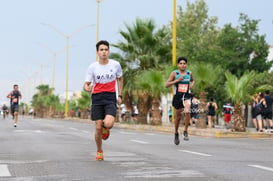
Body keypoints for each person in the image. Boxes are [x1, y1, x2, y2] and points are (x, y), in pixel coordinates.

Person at [83, 40, 123, 161]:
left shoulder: (115, 65)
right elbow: (86, 84)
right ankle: (99, 150)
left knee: (109, 123)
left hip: (110, 97)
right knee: (98, 127)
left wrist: (120, 95)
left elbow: (120, 79)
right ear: (97, 52)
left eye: (106, 49)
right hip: (97, 98)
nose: (104, 52)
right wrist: (87, 88)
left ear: (109, 51)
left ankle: (107, 128)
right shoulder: (92, 67)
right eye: (101, 50)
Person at [165, 56, 194, 145]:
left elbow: (193, 80)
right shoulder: (174, 73)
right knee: (178, 117)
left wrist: (191, 85)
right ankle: (176, 133)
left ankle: (185, 130)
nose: (182, 65)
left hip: (186, 95)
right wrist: (177, 80)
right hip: (178, 95)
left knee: (187, 110)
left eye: (184, 64)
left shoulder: (189, 73)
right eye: (181, 63)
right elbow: (167, 84)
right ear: (178, 65)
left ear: (186, 65)